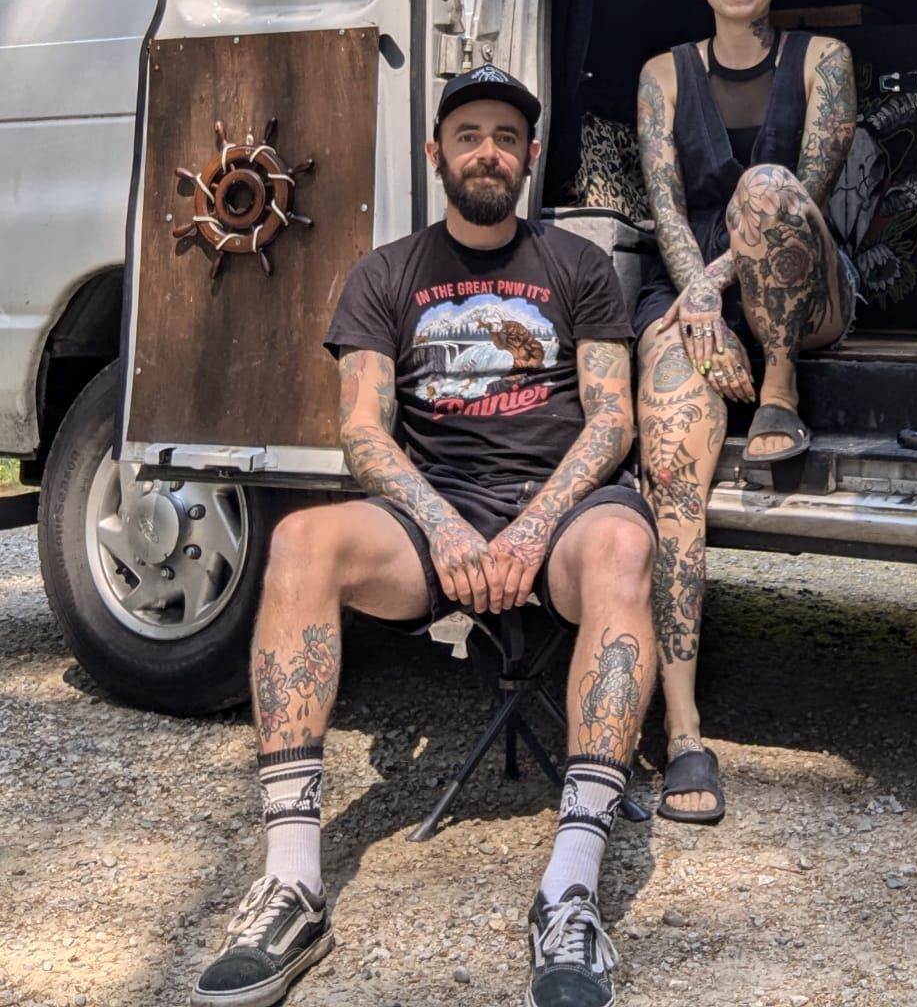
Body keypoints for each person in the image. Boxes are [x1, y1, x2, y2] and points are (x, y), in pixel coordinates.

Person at [194, 66, 657, 1007]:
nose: (488, 150)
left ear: (530, 157)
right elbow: (363, 427)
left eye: (506, 136)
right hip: (429, 510)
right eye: (468, 134)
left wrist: (531, 529)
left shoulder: (576, 268)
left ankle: (569, 892)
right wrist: (445, 528)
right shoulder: (387, 274)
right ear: (435, 154)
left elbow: (612, 422)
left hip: (556, 509)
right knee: (299, 546)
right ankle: (292, 881)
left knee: (620, 547)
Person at [634, 0, 857, 825]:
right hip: (692, 294)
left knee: (765, 192)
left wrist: (716, 295)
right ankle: (684, 732)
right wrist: (692, 303)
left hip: (800, 289)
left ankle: (779, 378)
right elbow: (663, 207)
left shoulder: (822, 61)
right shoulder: (661, 75)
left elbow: (810, 192)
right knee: (676, 472)